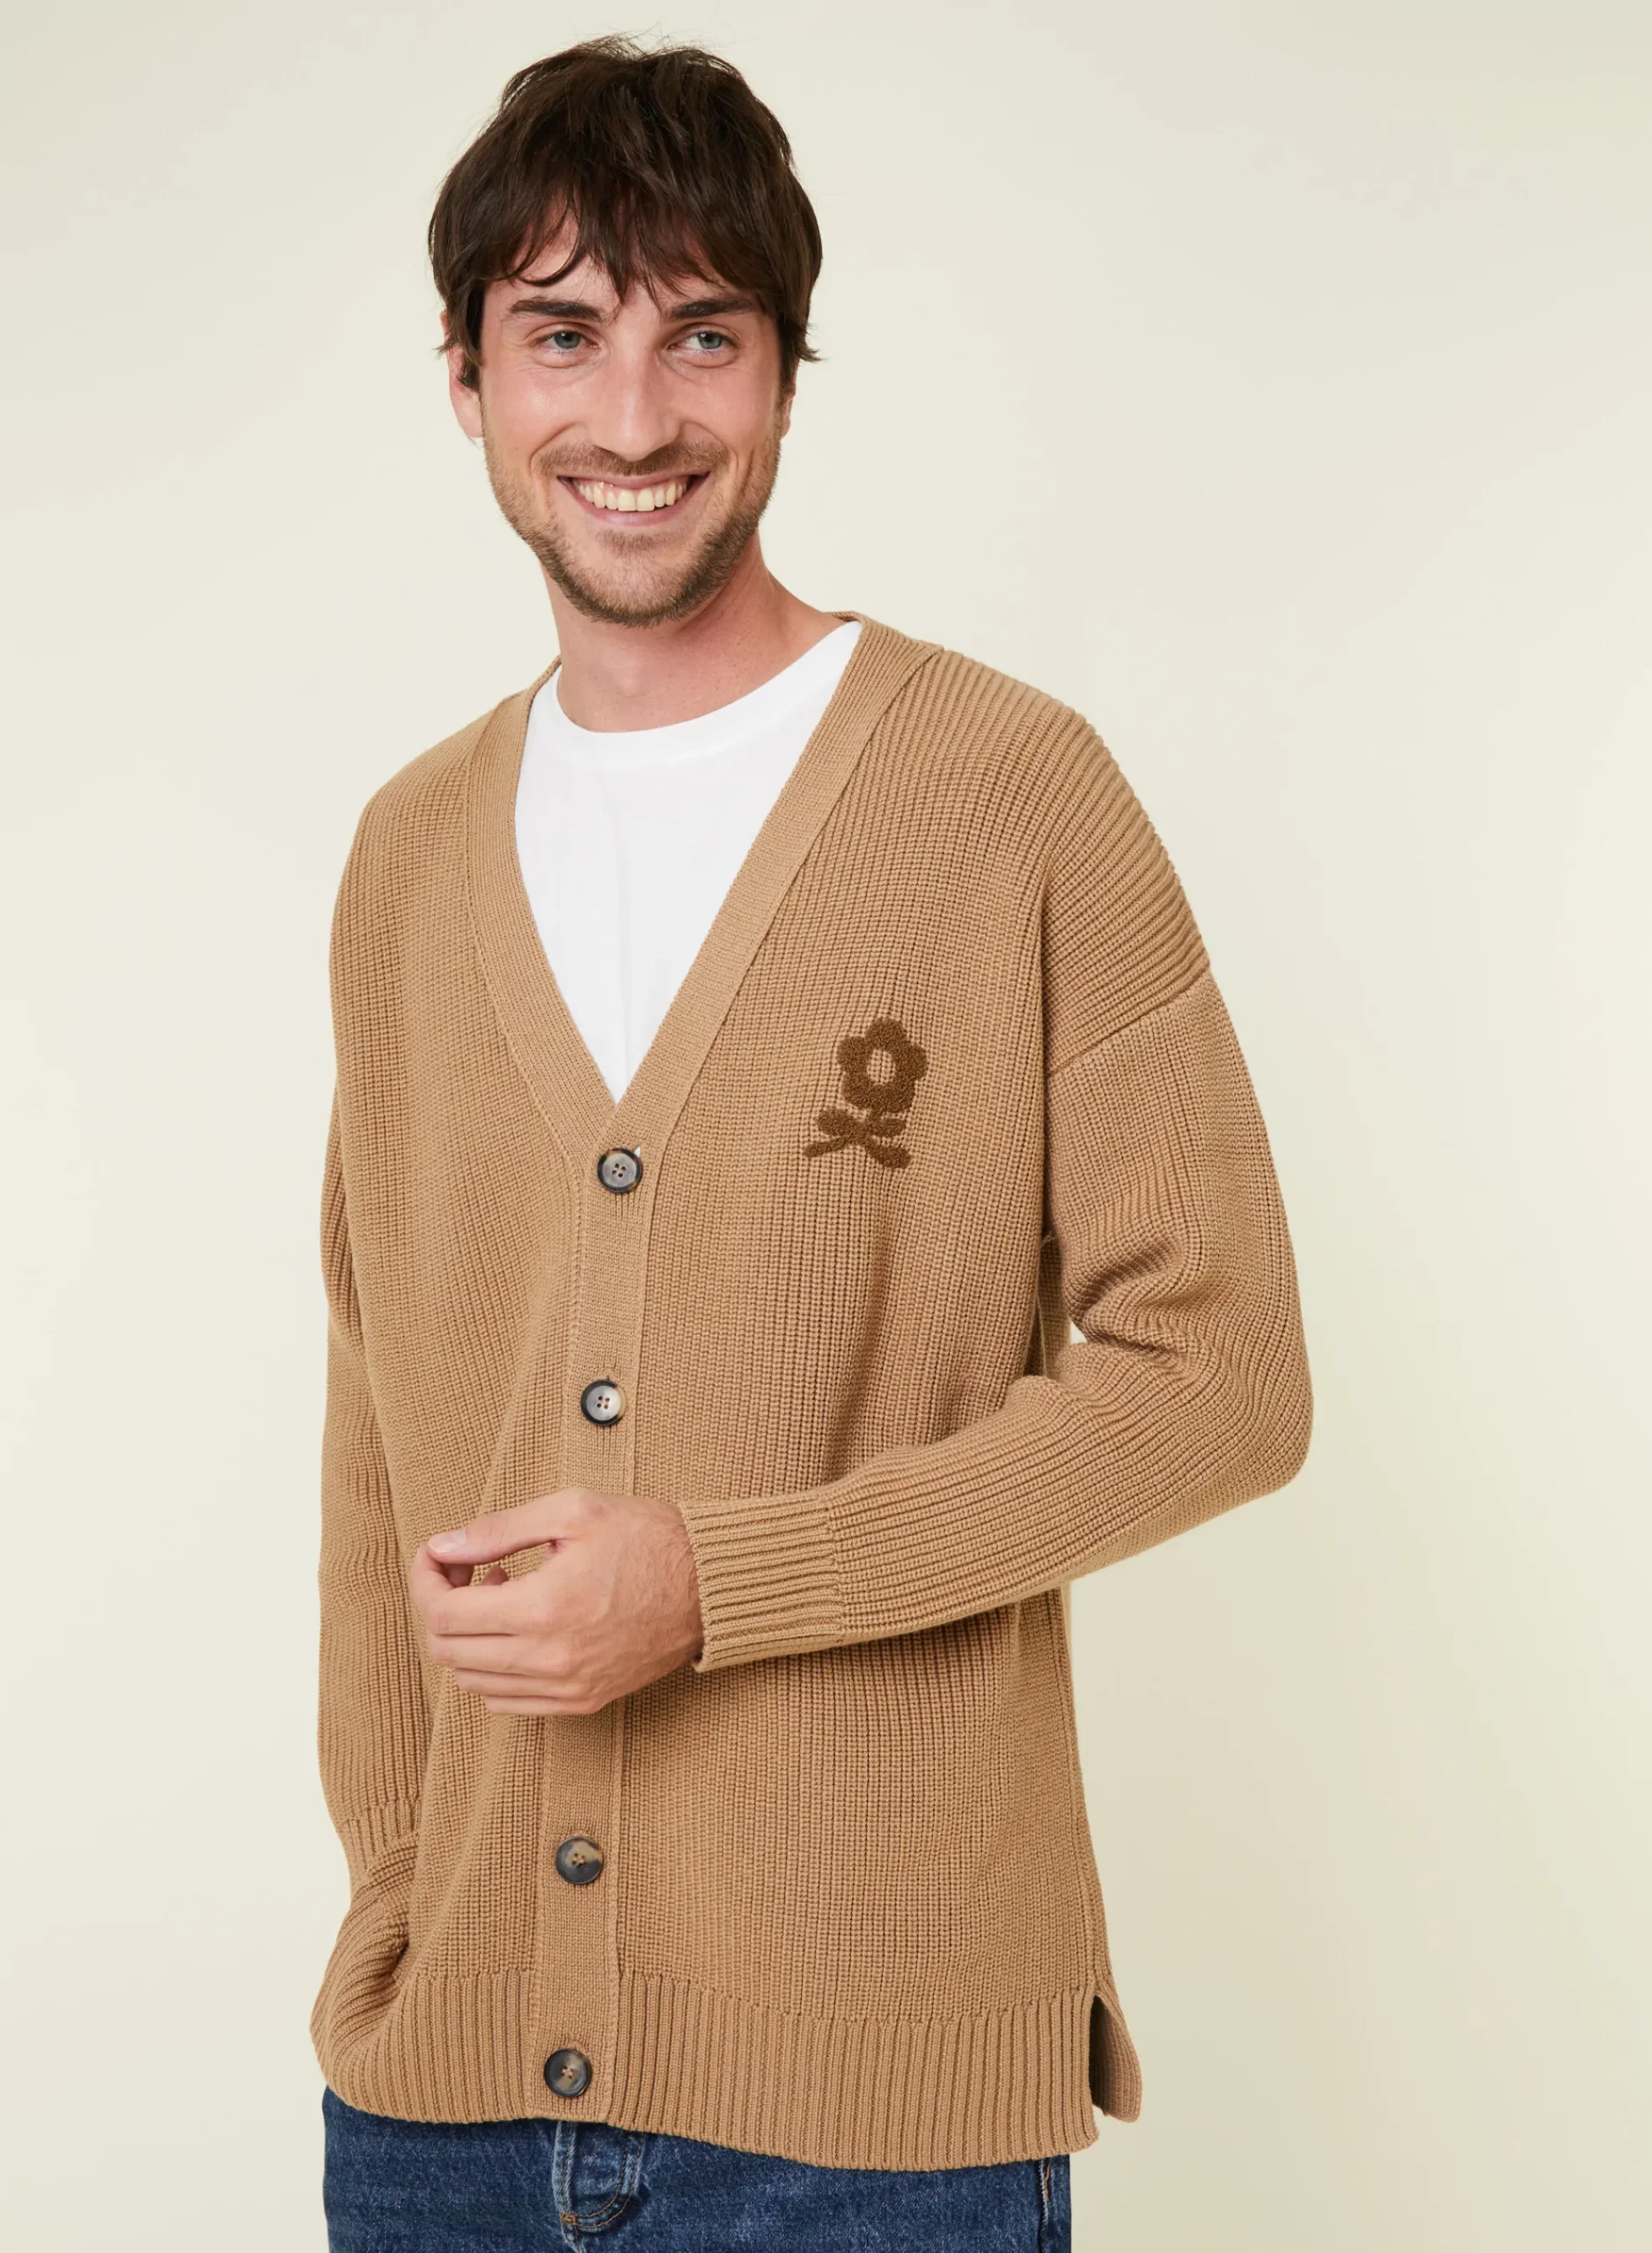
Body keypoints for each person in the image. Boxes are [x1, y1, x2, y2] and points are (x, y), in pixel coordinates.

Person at [311, 33, 1313, 2252]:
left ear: (783, 372)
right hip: (439, 2106)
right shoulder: (404, 855)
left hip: (876, 2125)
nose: (634, 417)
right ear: (465, 380)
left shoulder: (1008, 793)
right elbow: (378, 1432)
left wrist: (712, 1580)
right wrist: (396, 1898)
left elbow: (1225, 1376)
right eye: (560, 335)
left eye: (703, 335)